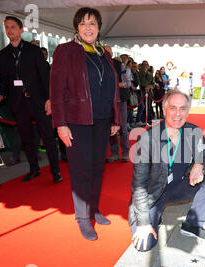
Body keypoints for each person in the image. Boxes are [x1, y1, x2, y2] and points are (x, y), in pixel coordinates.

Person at [50, 7, 120, 240]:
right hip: (76, 121)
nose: (88, 28)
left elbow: (112, 90)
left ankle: (93, 209)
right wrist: (60, 123)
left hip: (101, 121)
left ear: (99, 28)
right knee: (81, 171)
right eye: (83, 23)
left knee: (97, 169)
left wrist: (115, 118)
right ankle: (82, 218)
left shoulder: (104, 54)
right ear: (76, 28)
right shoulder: (66, 51)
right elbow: (56, 90)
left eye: (92, 23)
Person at [129, 90, 205, 252]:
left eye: (183, 108)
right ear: (164, 110)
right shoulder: (147, 139)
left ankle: (192, 224)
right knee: (144, 245)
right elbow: (139, 185)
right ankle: (154, 217)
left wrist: (199, 164)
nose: (178, 114)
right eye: (173, 108)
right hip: (154, 194)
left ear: (187, 111)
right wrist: (144, 223)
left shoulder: (194, 131)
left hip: (180, 186)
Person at [0, 16, 62, 183]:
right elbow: (4, 81)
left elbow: (45, 77)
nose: (10, 30)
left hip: (38, 101)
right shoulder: (3, 55)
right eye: (7, 27)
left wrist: (49, 99)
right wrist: (0, 95)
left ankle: (55, 171)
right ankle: (34, 169)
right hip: (18, 103)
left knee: (47, 137)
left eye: (13, 27)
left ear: (21, 30)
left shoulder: (34, 51)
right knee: (27, 139)